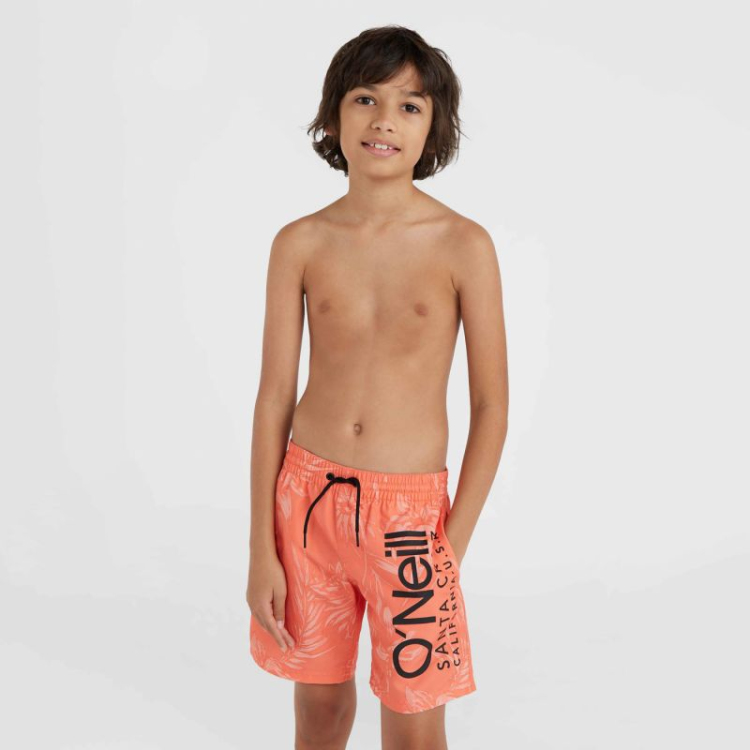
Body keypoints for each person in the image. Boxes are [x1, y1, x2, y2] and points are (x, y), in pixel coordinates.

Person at [246, 25, 508, 750]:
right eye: (365, 99)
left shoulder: (463, 245)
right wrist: (261, 547)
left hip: (412, 522)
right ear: (334, 116)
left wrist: (449, 547)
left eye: (409, 106)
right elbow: (273, 397)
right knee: (319, 710)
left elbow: (492, 406)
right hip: (307, 504)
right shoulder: (299, 242)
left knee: (415, 726)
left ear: (433, 129)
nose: (384, 120)